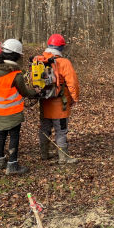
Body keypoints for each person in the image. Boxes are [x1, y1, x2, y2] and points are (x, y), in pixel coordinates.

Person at [0, 39, 39, 175]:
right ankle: (12, 165)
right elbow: (25, 92)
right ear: (17, 56)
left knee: (1, 136)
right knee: (14, 137)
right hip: (11, 111)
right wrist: (36, 92)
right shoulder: (15, 75)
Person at [38, 34, 79, 164]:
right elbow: (73, 83)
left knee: (45, 128)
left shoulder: (40, 60)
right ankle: (63, 157)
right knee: (61, 130)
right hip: (60, 103)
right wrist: (74, 98)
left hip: (44, 101)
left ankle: (44, 153)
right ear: (62, 47)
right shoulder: (64, 62)